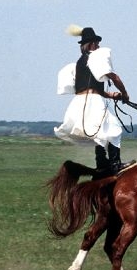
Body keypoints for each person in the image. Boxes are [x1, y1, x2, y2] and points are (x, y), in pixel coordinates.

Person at [54, 25, 130, 172]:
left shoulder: (79, 63)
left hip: (79, 103)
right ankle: (114, 164)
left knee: (99, 132)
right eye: (97, 43)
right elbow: (114, 77)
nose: (99, 45)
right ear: (93, 43)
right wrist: (124, 93)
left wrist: (112, 95)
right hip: (94, 102)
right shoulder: (98, 55)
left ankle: (101, 163)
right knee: (114, 129)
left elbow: (87, 88)